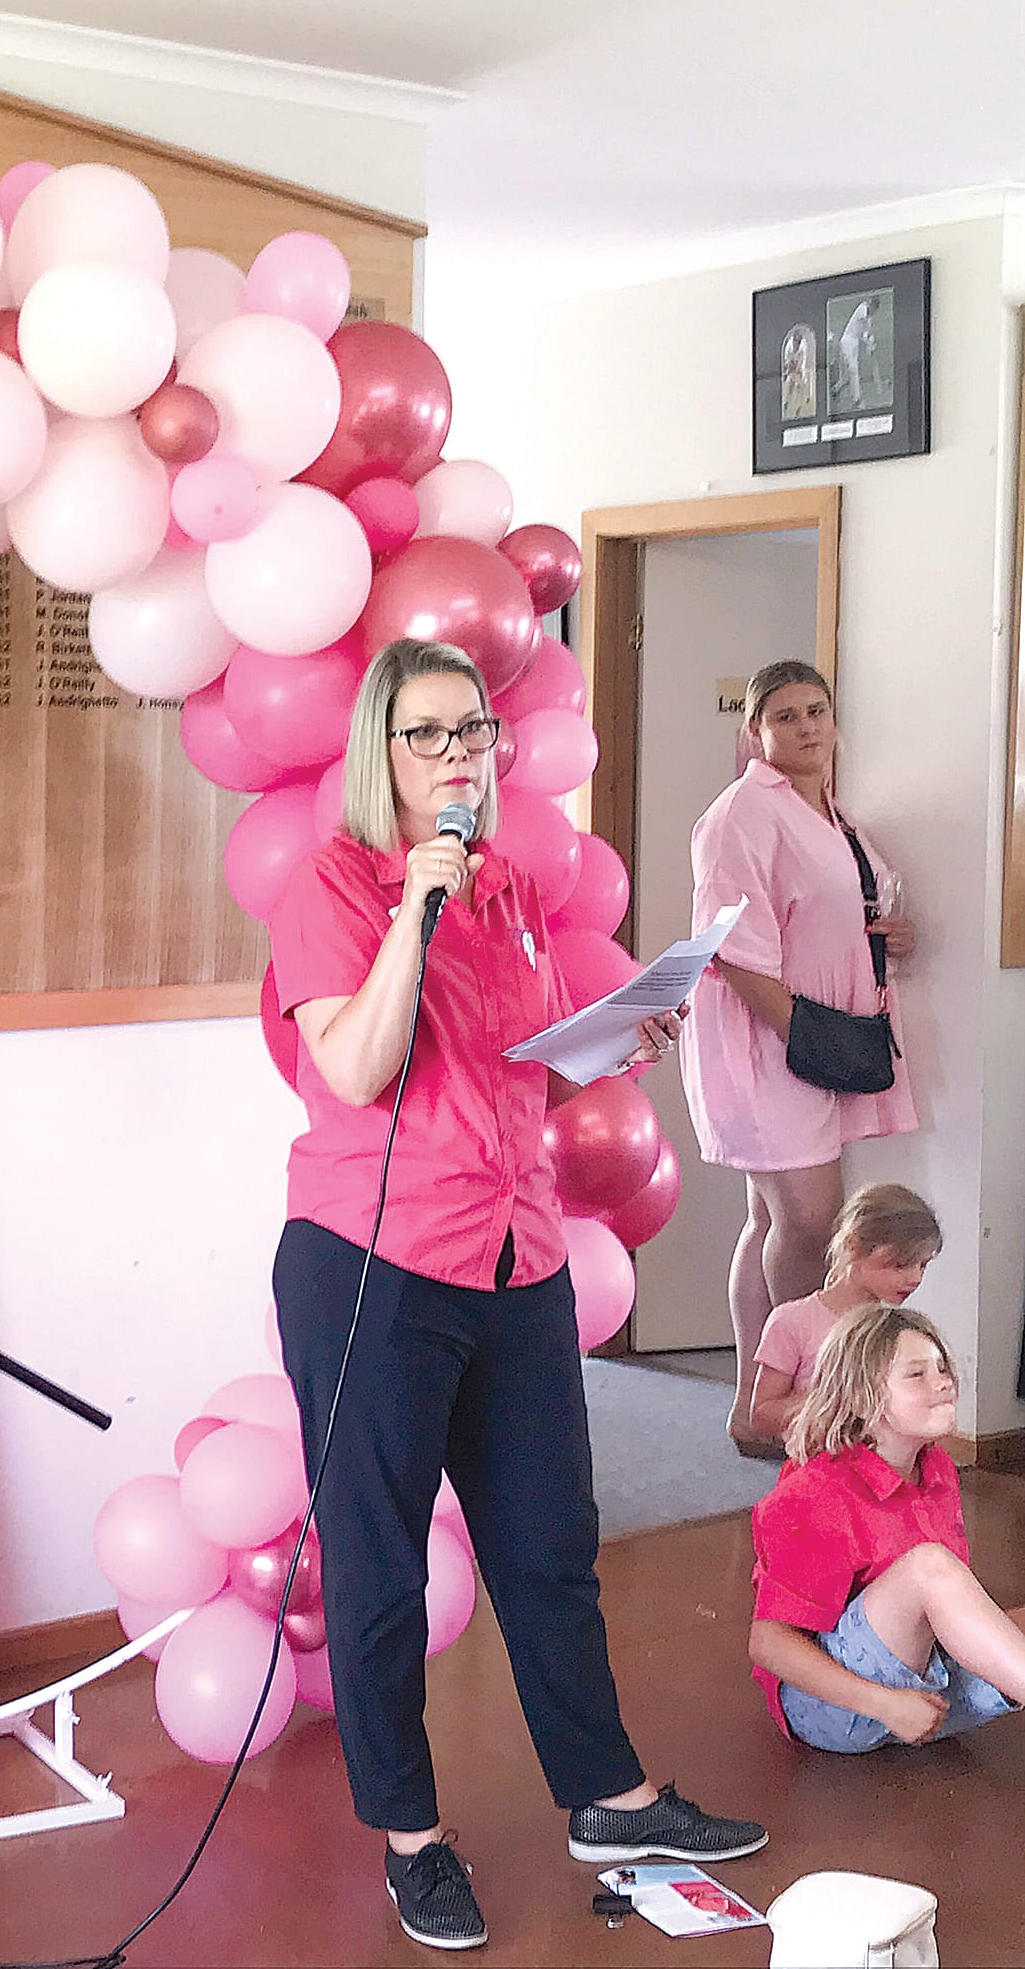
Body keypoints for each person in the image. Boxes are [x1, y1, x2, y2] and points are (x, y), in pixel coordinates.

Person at [268, 639, 766, 1953]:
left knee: (549, 1547)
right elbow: (366, 1069)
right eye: (428, 736)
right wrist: (406, 918)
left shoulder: (517, 890)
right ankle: (412, 1841)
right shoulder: (334, 887)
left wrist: (617, 1042)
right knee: (378, 1565)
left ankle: (610, 1798)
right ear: (379, 752)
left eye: (474, 734)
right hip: (373, 1261)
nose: (457, 760)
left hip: (516, 1252)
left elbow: (508, 1079)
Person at [677, 659, 918, 1456]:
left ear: (835, 719)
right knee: (812, 1222)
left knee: (770, 1217)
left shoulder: (834, 816)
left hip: (814, 1039)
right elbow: (733, 954)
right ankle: (804, 1398)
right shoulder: (739, 815)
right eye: (784, 716)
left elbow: (852, 909)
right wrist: (808, 1040)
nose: (805, 726)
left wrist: (895, 937)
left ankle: (755, 1409)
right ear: (755, 731)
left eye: (816, 710)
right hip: (769, 1039)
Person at [748, 1304, 1024, 1753]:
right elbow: (769, 1644)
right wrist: (884, 1704)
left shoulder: (936, 1470)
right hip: (835, 1708)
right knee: (930, 1567)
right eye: (916, 1375)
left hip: (916, 1680)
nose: (944, 1383)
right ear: (861, 1399)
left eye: (941, 1367)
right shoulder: (815, 1492)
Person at [749, 1184, 940, 1443]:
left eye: (923, 1265)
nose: (916, 1278)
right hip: (819, 1471)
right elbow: (762, 1416)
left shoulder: (898, 1332)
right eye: (900, 1265)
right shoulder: (793, 1322)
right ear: (853, 1245)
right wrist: (834, 1401)